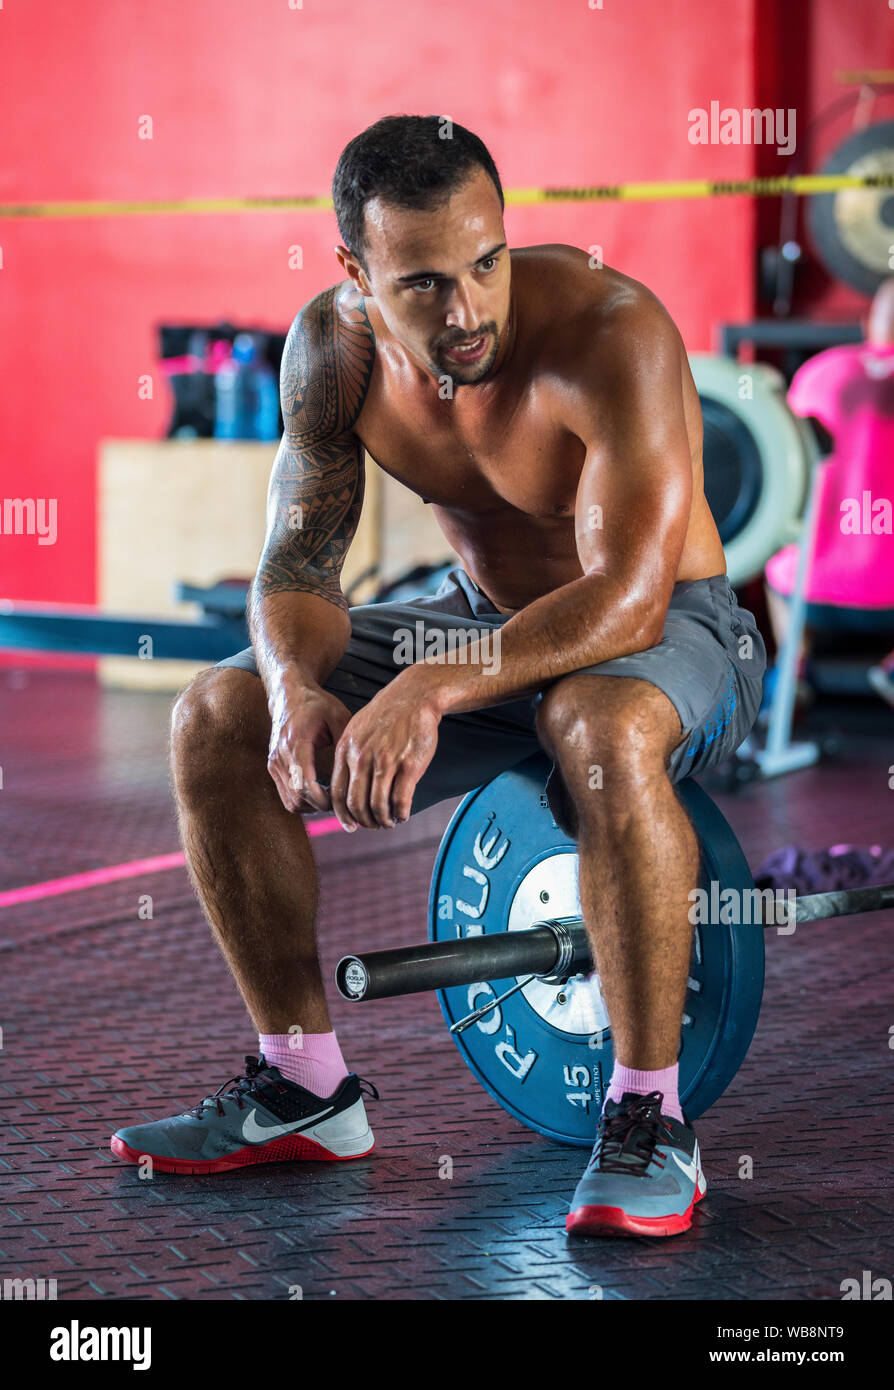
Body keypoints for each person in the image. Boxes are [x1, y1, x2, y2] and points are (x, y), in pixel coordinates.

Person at [111, 115, 766, 1238]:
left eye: (486, 262)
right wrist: (297, 690)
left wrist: (427, 689)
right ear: (355, 277)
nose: (467, 311)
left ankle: (652, 1118)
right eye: (423, 281)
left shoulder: (613, 330)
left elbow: (629, 596)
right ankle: (304, 1087)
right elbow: (299, 564)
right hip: (480, 627)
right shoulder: (334, 351)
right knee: (216, 713)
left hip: (675, 632)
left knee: (594, 722)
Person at [763, 277, 894, 708]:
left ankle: (793, 663)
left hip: (810, 591)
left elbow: (783, 466)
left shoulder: (817, 373)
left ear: (864, 322)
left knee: (777, 559)